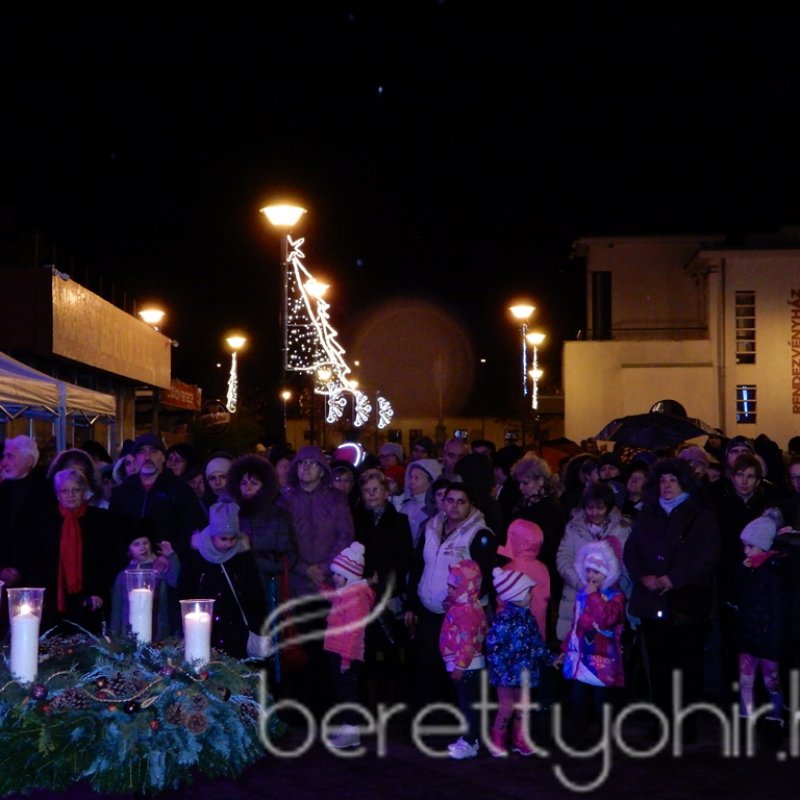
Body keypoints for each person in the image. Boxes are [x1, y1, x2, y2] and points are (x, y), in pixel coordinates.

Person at [624, 457, 720, 737]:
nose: (666, 486)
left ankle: (686, 722)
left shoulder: (700, 515)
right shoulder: (648, 513)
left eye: (672, 480)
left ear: (684, 483)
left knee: (688, 664)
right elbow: (632, 551)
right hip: (653, 600)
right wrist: (644, 575)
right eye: (663, 481)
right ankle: (662, 719)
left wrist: (675, 578)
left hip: (686, 603)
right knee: (659, 665)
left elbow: (706, 555)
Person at [405, 484, 496, 713]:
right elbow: (418, 566)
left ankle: (458, 719)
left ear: (471, 504)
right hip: (428, 610)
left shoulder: (479, 534)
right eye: (450, 500)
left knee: (456, 671)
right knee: (427, 666)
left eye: (461, 501)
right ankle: (429, 716)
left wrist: (460, 602)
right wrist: (412, 603)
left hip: (460, 617)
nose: (454, 506)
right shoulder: (431, 527)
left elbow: (485, 577)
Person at [34, 467, 122, 634]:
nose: (71, 495)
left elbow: (108, 559)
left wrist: (98, 591)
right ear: (58, 495)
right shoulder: (44, 520)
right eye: (65, 491)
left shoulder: (100, 519)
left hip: (90, 597)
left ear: (84, 492)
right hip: (53, 598)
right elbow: (37, 560)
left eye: (76, 489)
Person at [177, 500, 267, 659]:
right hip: (204, 630)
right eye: (223, 539)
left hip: (238, 630)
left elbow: (254, 593)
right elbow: (185, 592)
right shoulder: (196, 556)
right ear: (212, 536)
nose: (229, 544)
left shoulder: (242, 555)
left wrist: (258, 628)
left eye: (233, 538)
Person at [558, 539, 626, 734]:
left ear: (607, 573)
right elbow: (576, 626)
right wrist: (566, 650)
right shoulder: (583, 594)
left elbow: (607, 619)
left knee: (602, 704)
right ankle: (579, 739)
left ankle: (605, 739)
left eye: (596, 571)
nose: (590, 576)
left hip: (603, 661)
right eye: (588, 570)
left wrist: (594, 596)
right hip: (581, 660)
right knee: (578, 702)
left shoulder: (616, 597)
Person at [485, 567, 554, 757]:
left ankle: (520, 740)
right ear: (517, 595)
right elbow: (493, 647)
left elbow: (537, 643)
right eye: (528, 592)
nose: (531, 596)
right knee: (506, 707)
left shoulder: (528, 619)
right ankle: (497, 741)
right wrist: (500, 671)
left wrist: (550, 658)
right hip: (505, 674)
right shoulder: (503, 620)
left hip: (524, 672)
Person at [732, 509, 788, 730]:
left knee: (771, 681)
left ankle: (774, 720)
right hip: (748, 636)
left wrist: (774, 640)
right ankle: (746, 720)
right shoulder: (749, 570)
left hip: (766, 639)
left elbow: (778, 611)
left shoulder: (774, 572)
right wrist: (741, 572)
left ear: (764, 546)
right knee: (746, 680)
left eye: (750, 546)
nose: (746, 551)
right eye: (744, 546)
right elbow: (737, 596)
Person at [555, 483, 630, 642]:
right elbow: (563, 558)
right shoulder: (574, 527)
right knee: (573, 642)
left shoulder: (622, 528)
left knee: (602, 646)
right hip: (576, 592)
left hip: (608, 597)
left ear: (608, 507)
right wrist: (581, 583)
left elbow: (624, 561)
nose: (594, 513)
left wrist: (605, 583)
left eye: (600, 508)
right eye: (590, 508)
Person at [323, 541, 376, 749]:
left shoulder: (357, 597)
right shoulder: (345, 592)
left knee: (348, 692)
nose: (334, 578)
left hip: (347, 655)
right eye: (334, 574)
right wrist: (322, 587)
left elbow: (354, 632)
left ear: (350, 576)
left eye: (339, 575)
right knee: (342, 691)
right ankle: (347, 726)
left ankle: (352, 731)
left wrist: (346, 659)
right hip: (336, 650)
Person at [439, 559, 489, 760]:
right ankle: (469, 738)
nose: (449, 590)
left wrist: (460, 666)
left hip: (468, 667)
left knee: (469, 706)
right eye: (449, 586)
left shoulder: (468, 611)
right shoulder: (463, 606)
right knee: (466, 705)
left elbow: (468, 642)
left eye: (453, 587)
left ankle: (470, 742)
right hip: (465, 666)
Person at [0, 435, 56, 593]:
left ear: (29, 461)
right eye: (4, 456)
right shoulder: (2, 491)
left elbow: (47, 538)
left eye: (10, 457)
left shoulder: (47, 492)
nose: (4, 462)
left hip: (37, 578)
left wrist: (22, 571)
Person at [109, 523, 179, 642]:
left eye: (145, 543)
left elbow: (176, 580)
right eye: (136, 544)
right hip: (129, 637)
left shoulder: (159, 567)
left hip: (159, 636)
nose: (142, 548)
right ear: (129, 550)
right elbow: (117, 608)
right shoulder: (123, 575)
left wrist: (171, 556)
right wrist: (114, 637)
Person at [396, 458, 442, 546]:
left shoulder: (436, 508)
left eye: (417, 478)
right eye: (411, 477)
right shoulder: (405, 507)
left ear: (431, 481)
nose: (411, 482)